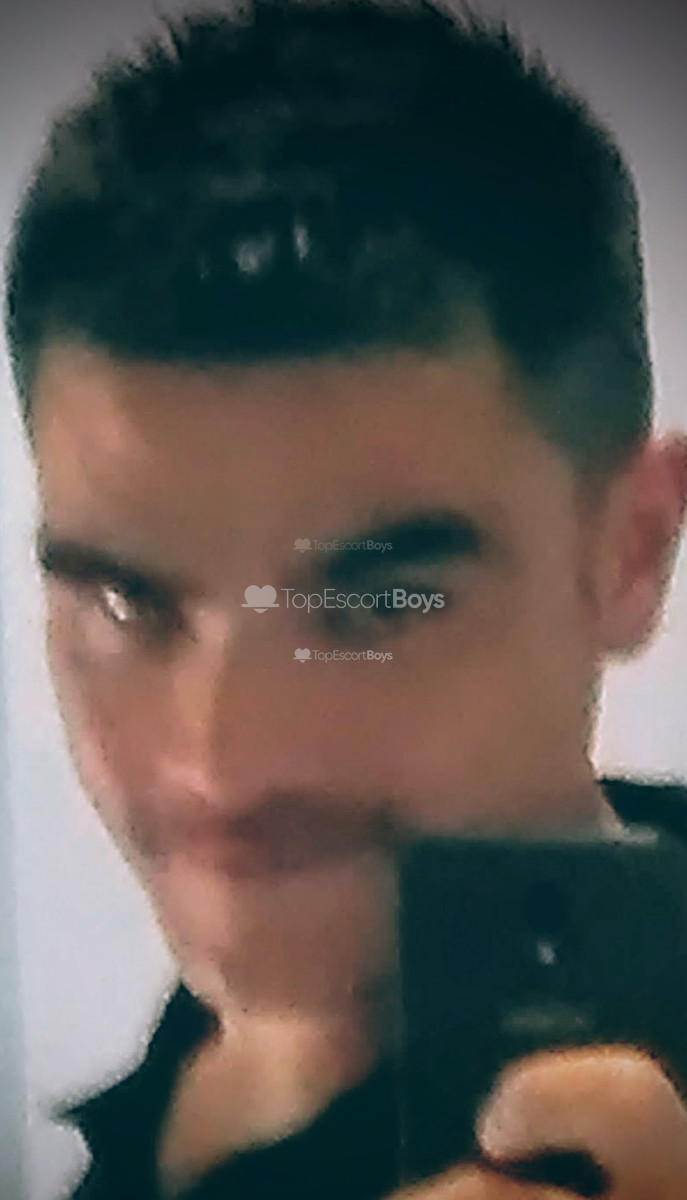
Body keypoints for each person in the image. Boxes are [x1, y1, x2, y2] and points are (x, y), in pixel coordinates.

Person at [4, 0, 687, 1196]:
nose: (219, 768)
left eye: (383, 605)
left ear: (629, 554)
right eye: (127, 604)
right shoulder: (151, 1098)